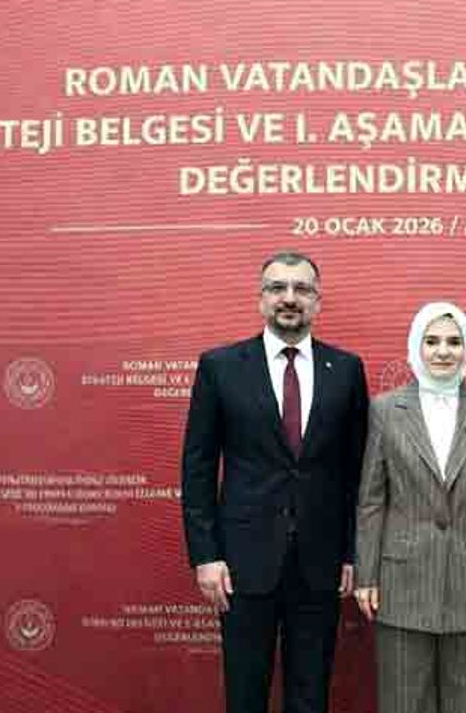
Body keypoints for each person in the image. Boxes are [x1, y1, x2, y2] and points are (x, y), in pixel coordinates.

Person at [180, 250, 369, 713]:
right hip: (242, 564)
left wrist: (352, 552)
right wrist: (206, 555)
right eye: (277, 288)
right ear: (260, 299)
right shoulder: (220, 366)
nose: (289, 298)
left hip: (320, 563)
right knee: (246, 693)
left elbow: (358, 471)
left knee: (311, 694)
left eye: (302, 289)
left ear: (317, 301)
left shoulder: (346, 369)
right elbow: (198, 467)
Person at [354, 301, 466, 713]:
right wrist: (366, 575)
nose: (443, 351)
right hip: (401, 579)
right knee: (403, 701)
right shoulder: (386, 409)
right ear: (416, 346)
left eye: (453, 341)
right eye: (432, 341)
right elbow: (372, 500)